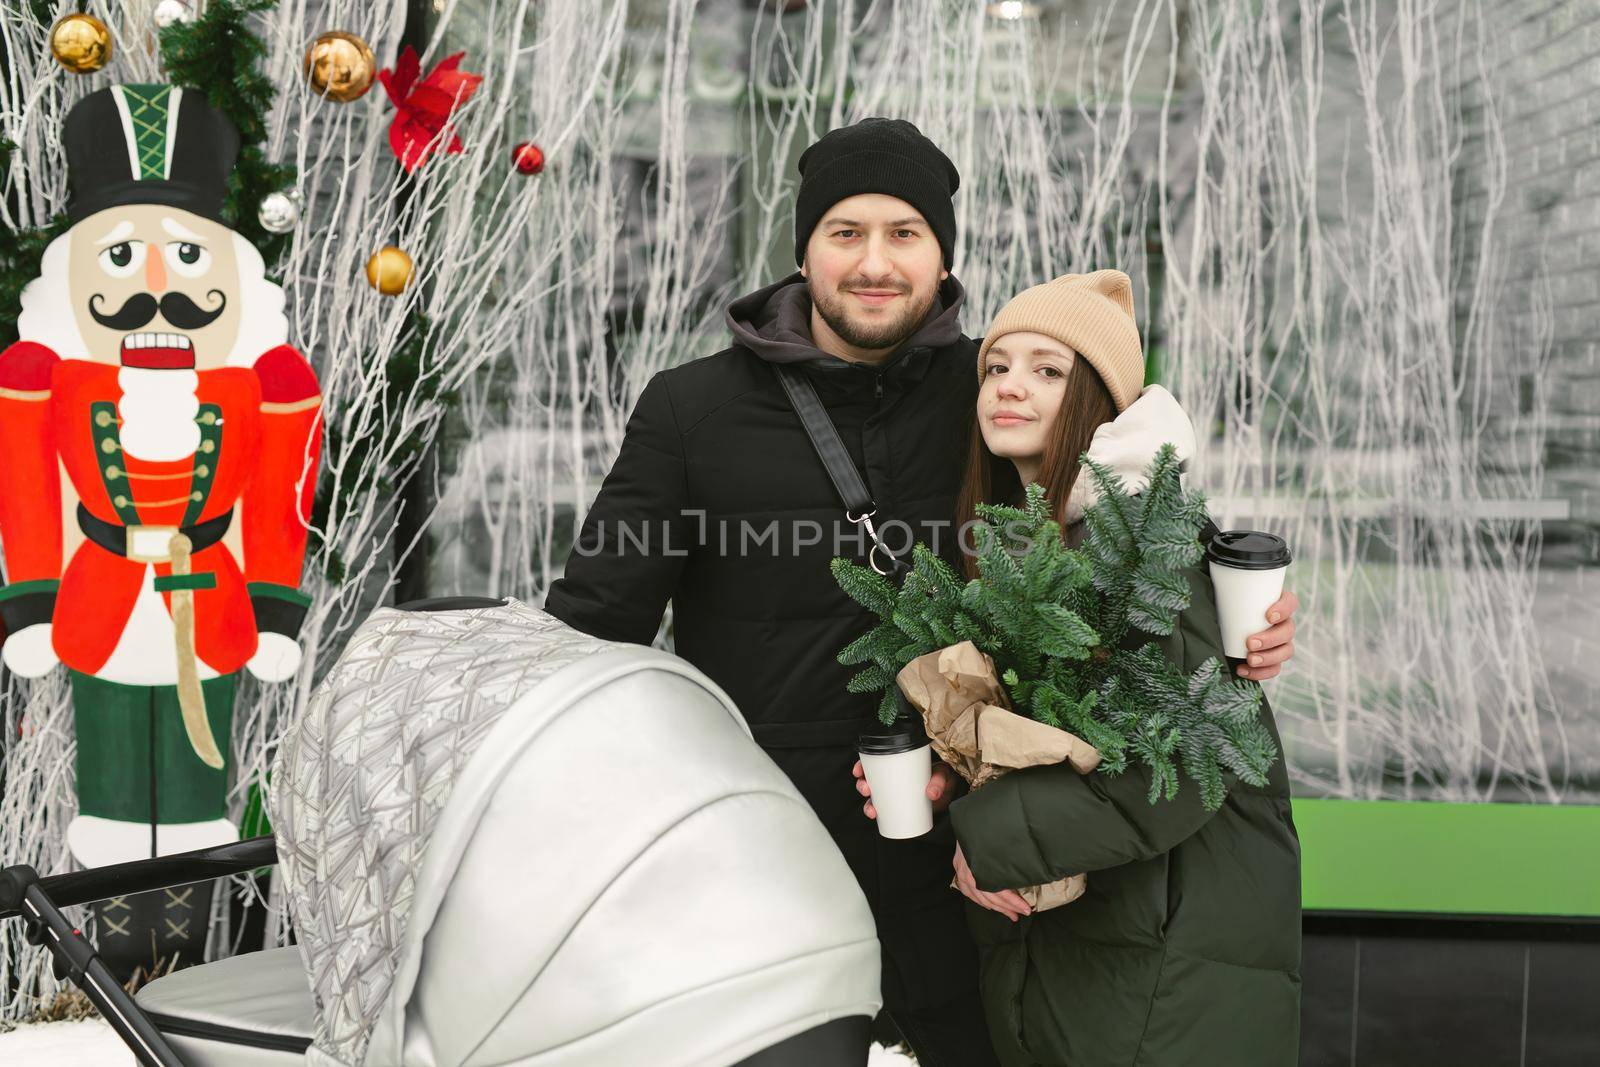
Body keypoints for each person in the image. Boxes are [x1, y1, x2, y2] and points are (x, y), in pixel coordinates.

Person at [543, 120, 1300, 1064]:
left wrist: (1240, 596)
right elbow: (588, 636)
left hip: (976, 883)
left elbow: (1129, 495)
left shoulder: (1000, 385)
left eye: (904, 233)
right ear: (803, 250)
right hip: (760, 878)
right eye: (845, 232)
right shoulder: (691, 411)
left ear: (943, 256)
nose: (874, 262)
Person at [856, 270, 1301, 1066]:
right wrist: (947, 781)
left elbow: (1180, 755)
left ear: (1098, 401)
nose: (1009, 387)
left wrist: (981, 840)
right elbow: (1050, 739)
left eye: (1047, 369)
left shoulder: (1148, 549)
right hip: (1079, 960)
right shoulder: (1021, 549)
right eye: (997, 367)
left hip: (1163, 965)